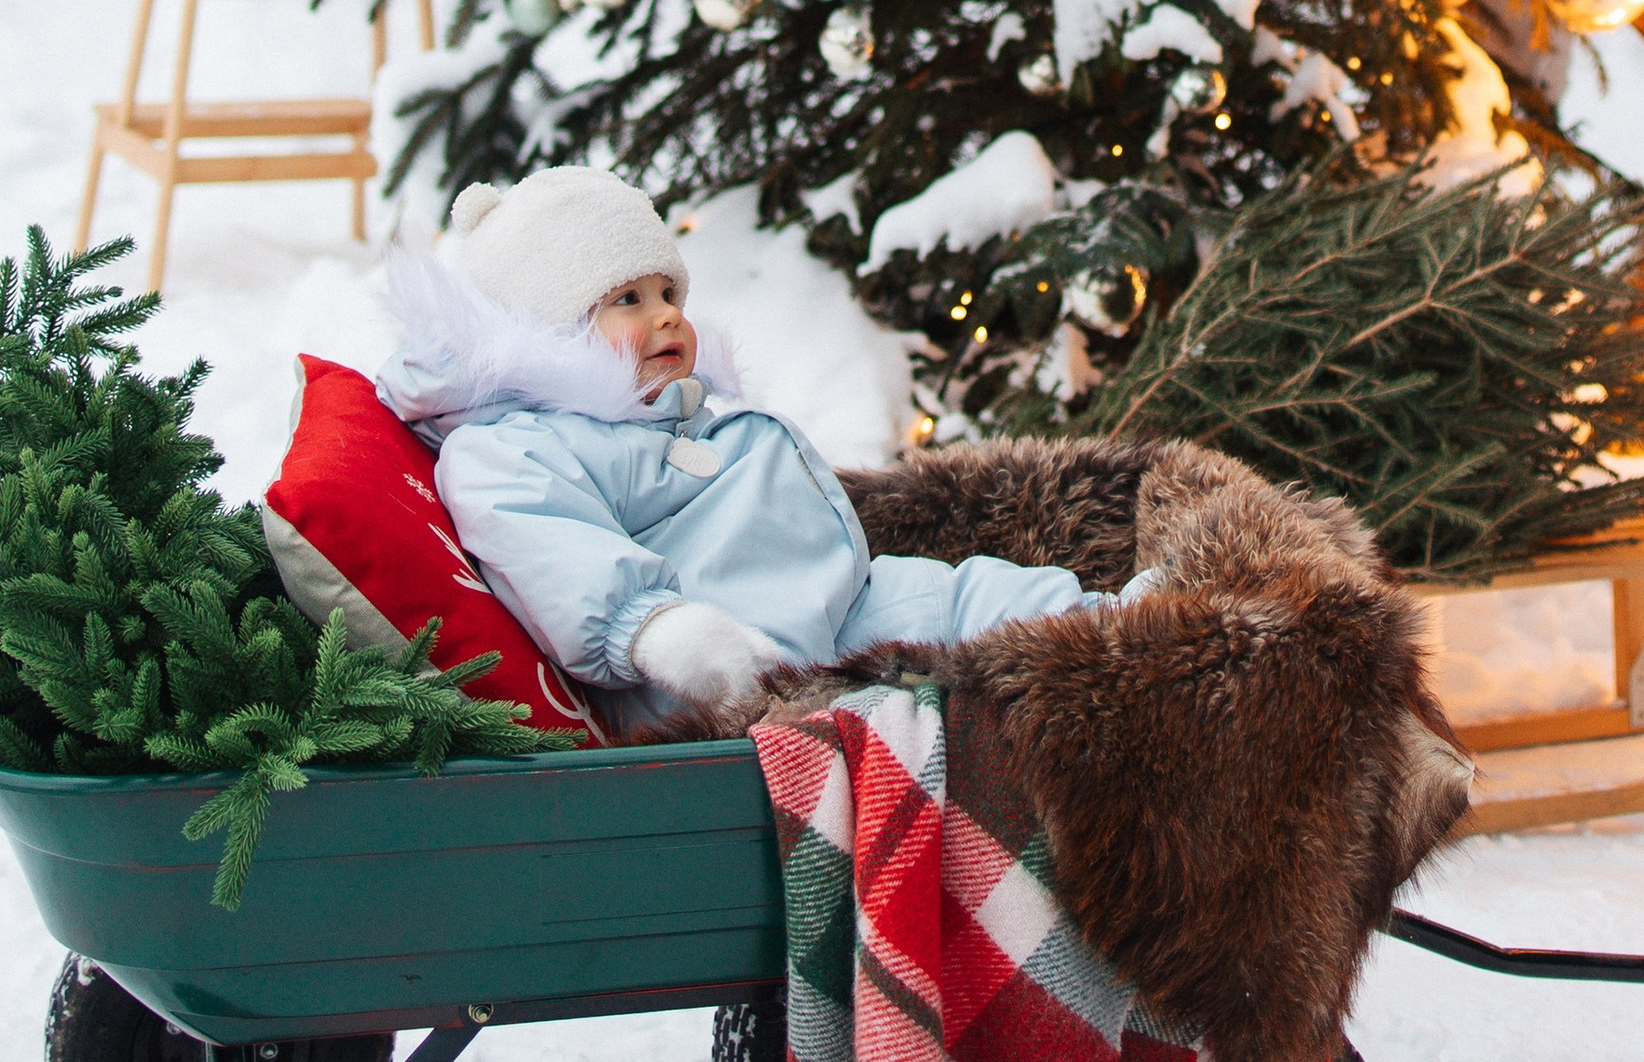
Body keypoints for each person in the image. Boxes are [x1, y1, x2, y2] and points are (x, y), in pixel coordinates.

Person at [376, 164, 1114, 722]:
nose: (667, 318)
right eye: (629, 301)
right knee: (909, 694)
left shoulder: (673, 411)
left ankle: (1107, 620)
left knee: (962, 590)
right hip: (737, 655)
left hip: (843, 605)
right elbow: (546, 541)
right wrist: (658, 631)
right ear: (547, 331)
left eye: (670, 295)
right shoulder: (517, 445)